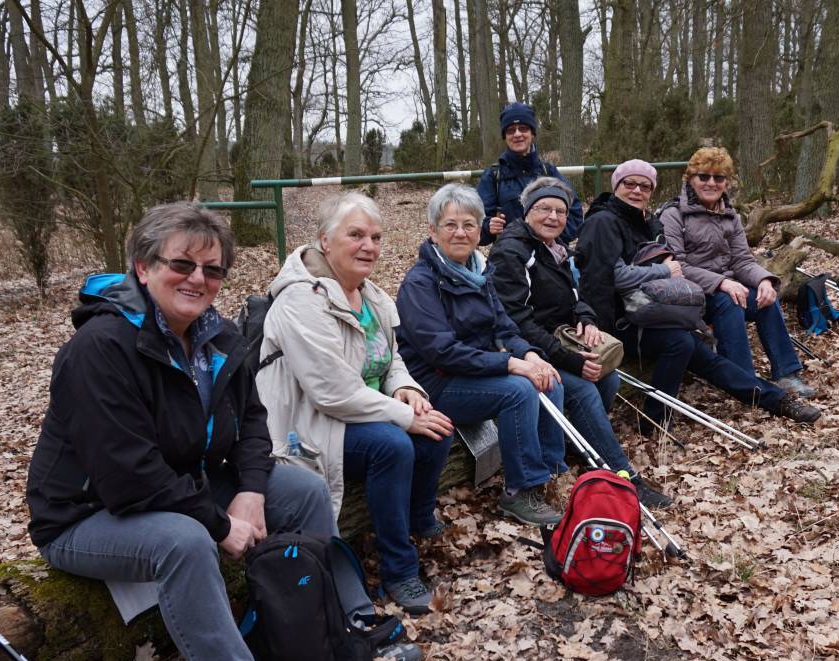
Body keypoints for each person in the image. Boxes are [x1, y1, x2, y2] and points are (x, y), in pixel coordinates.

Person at [26, 203, 334, 661]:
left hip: (181, 484)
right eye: (182, 265)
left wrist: (252, 491)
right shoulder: (98, 349)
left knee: (305, 491)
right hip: (84, 513)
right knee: (186, 542)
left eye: (212, 270)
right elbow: (128, 476)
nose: (198, 279)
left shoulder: (217, 336)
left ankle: (326, 628)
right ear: (143, 268)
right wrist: (219, 523)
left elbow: (253, 422)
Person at [255, 192, 454, 617]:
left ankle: (419, 521)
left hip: (366, 412)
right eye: (356, 235)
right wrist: (403, 416)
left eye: (376, 237)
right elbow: (332, 392)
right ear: (325, 241)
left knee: (435, 427)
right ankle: (399, 570)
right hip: (309, 425)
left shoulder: (371, 296)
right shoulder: (301, 301)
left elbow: (391, 359)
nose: (369, 246)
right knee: (392, 445)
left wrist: (407, 391)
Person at [576, 160, 821, 427]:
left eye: (644, 186)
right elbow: (614, 277)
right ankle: (656, 420)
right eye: (629, 184)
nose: (637, 190)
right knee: (684, 342)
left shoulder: (644, 220)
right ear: (616, 185)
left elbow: (667, 252)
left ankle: (778, 400)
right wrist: (665, 270)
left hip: (652, 310)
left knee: (703, 354)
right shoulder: (602, 222)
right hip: (614, 322)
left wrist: (763, 279)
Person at [487, 177, 671, 508]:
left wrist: (586, 319)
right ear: (527, 212)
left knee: (608, 377)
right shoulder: (512, 252)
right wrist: (570, 360)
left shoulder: (555, 249)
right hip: (523, 349)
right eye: (544, 208)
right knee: (583, 389)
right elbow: (518, 321)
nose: (553, 217)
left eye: (560, 211)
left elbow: (577, 295)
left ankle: (581, 444)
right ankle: (622, 476)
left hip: (556, 339)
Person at [396, 183, 568, 526]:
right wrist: (509, 363)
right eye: (450, 225)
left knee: (548, 378)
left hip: (475, 371)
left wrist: (530, 355)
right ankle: (520, 491)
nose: (460, 233)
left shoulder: (479, 272)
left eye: (469, 225)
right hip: (438, 383)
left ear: (479, 230)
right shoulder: (420, 283)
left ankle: (549, 475)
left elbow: (504, 328)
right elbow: (442, 352)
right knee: (518, 391)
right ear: (433, 231)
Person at [659, 147, 815, 398]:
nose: (711, 183)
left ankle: (786, 374)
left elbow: (742, 260)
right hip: (689, 296)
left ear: (726, 182)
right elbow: (678, 266)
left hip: (727, 289)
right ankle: (744, 384)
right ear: (690, 179)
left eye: (718, 177)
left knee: (765, 299)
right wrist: (722, 282)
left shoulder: (729, 216)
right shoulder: (673, 215)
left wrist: (764, 280)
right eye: (704, 176)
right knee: (729, 301)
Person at [476, 102, 583, 246]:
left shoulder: (549, 172)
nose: (517, 134)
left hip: (549, 255)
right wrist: (489, 227)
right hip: (510, 255)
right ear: (505, 136)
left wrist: (551, 237)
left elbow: (575, 215)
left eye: (523, 128)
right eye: (511, 130)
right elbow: (475, 224)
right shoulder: (493, 176)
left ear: (532, 133)